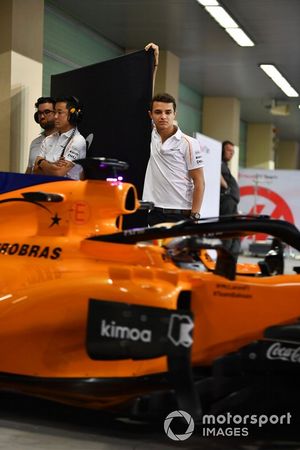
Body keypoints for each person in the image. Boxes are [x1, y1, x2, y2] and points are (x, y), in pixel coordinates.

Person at [142, 93, 205, 226]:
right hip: (154, 213)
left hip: (181, 215)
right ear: (150, 115)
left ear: (174, 114)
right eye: (158, 112)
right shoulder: (151, 136)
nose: (163, 116)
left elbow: (199, 182)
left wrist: (195, 216)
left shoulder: (189, 143)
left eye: (168, 112)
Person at [33, 96, 86, 179]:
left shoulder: (78, 141)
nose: (55, 117)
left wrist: (41, 162)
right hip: (46, 187)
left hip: (68, 190)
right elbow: (35, 171)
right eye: (55, 112)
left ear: (72, 116)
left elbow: (58, 173)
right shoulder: (48, 139)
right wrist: (53, 165)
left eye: (60, 112)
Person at [220, 140, 241, 256]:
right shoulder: (218, 162)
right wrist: (227, 188)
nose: (231, 153)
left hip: (232, 203)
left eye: (232, 151)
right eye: (228, 150)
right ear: (222, 150)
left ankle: (231, 261)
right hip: (226, 202)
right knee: (228, 233)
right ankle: (225, 259)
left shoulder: (225, 165)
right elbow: (216, 174)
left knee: (236, 234)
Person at [25, 97, 56, 173]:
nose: (42, 116)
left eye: (47, 112)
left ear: (56, 114)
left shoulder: (65, 141)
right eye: (40, 113)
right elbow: (29, 170)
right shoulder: (34, 142)